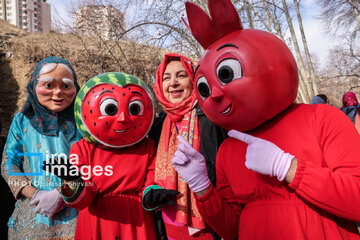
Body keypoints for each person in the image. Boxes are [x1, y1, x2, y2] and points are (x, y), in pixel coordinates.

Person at [172, 0, 360, 239]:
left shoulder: (322, 118)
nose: (216, 93)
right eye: (205, 88)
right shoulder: (228, 150)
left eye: (226, 74)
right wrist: (203, 188)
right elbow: (231, 229)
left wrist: (290, 168)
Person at [44, 72, 177, 240]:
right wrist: (73, 182)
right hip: (97, 221)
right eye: (111, 109)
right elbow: (83, 199)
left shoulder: (147, 146)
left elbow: (150, 183)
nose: (122, 118)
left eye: (133, 109)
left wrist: (153, 194)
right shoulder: (82, 148)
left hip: (137, 219)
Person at [0, 56, 81, 239]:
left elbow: (93, 164)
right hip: (31, 216)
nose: (58, 92)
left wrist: (60, 194)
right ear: (34, 86)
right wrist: (34, 194)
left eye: (66, 86)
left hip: (76, 219)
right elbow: (8, 163)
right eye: (49, 85)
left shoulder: (84, 121)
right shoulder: (22, 121)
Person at [150, 53, 227, 239]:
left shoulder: (212, 118)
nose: (173, 83)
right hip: (169, 225)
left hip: (208, 224)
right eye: (166, 78)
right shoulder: (157, 126)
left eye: (181, 76)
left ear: (193, 81)